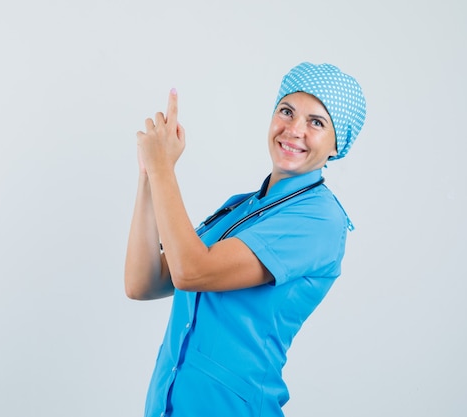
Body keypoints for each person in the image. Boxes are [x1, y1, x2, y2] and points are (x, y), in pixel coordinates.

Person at [124, 62, 367, 417]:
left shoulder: (319, 219)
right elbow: (143, 282)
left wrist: (164, 168)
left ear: (336, 143)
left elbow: (191, 271)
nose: (294, 129)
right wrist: (149, 173)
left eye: (317, 122)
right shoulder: (241, 208)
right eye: (286, 111)